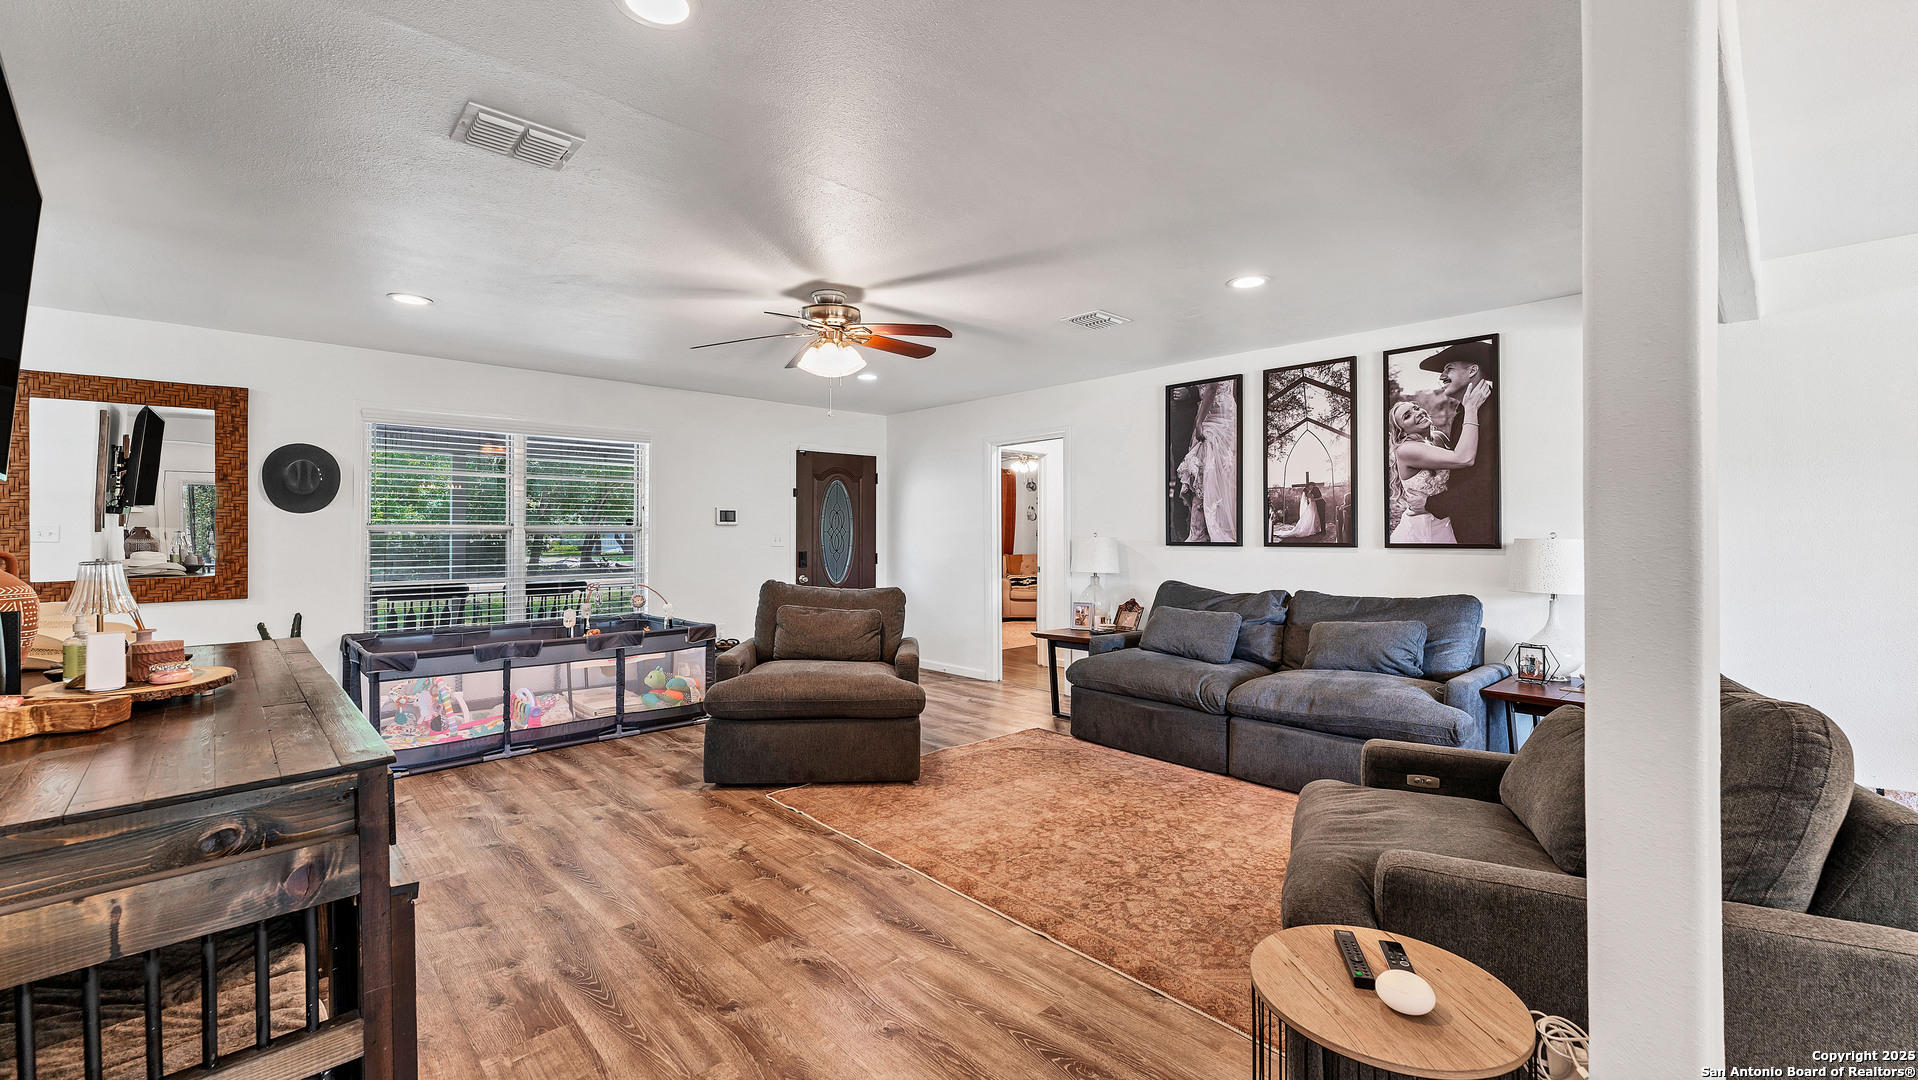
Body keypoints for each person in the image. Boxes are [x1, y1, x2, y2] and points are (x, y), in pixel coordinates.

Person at [1389, 379, 1493, 544]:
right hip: (1425, 526)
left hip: (1448, 517)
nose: (1417, 413)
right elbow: (1463, 458)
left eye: (1416, 408)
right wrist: (1471, 408)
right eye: (1407, 416)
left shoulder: (1439, 437)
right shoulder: (1406, 450)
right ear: (1401, 433)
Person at [1417, 341, 1499, 545]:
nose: (1442, 376)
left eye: (1449, 368)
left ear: (1472, 370)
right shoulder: (1464, 413)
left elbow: (1489, 478)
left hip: (1487, 529)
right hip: (1466, 524)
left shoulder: (1495, 410)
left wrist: (1430, 503)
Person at [1173, 380, 1238, 542]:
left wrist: (1199, 422)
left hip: (1214, 413)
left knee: (1204, 466)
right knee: (1217, 470)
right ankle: (1207, 527)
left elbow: (1211, 388)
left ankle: (1201, 531)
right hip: (1222, 412)